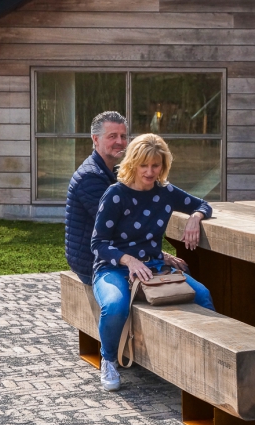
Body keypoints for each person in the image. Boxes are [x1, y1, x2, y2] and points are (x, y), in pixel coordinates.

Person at [91, 133, 214, 392]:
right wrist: (128, 260)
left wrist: (195, 217)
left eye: (155, 165)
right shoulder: (116, 194)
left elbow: (203, 204)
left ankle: (208, 364)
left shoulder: (166, 192)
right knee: (115, 306)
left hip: (155, 267)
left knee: (202, 295)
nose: (149, 171)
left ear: (163, 165)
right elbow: (98, 244)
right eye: (144, 165)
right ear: (133, 162)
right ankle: (109, 359)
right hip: (113, 266)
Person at [65, 111, 186, 286]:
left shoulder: (114, 172)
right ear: (95, 139)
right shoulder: (90, 177)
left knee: (182, 275)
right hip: (94, 262)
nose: (120, 142)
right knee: (169, 285)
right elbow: (123, 226)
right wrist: (158, 255)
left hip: (117, 254)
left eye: (123, 136)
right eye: (112, 136)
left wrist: (196, 215)